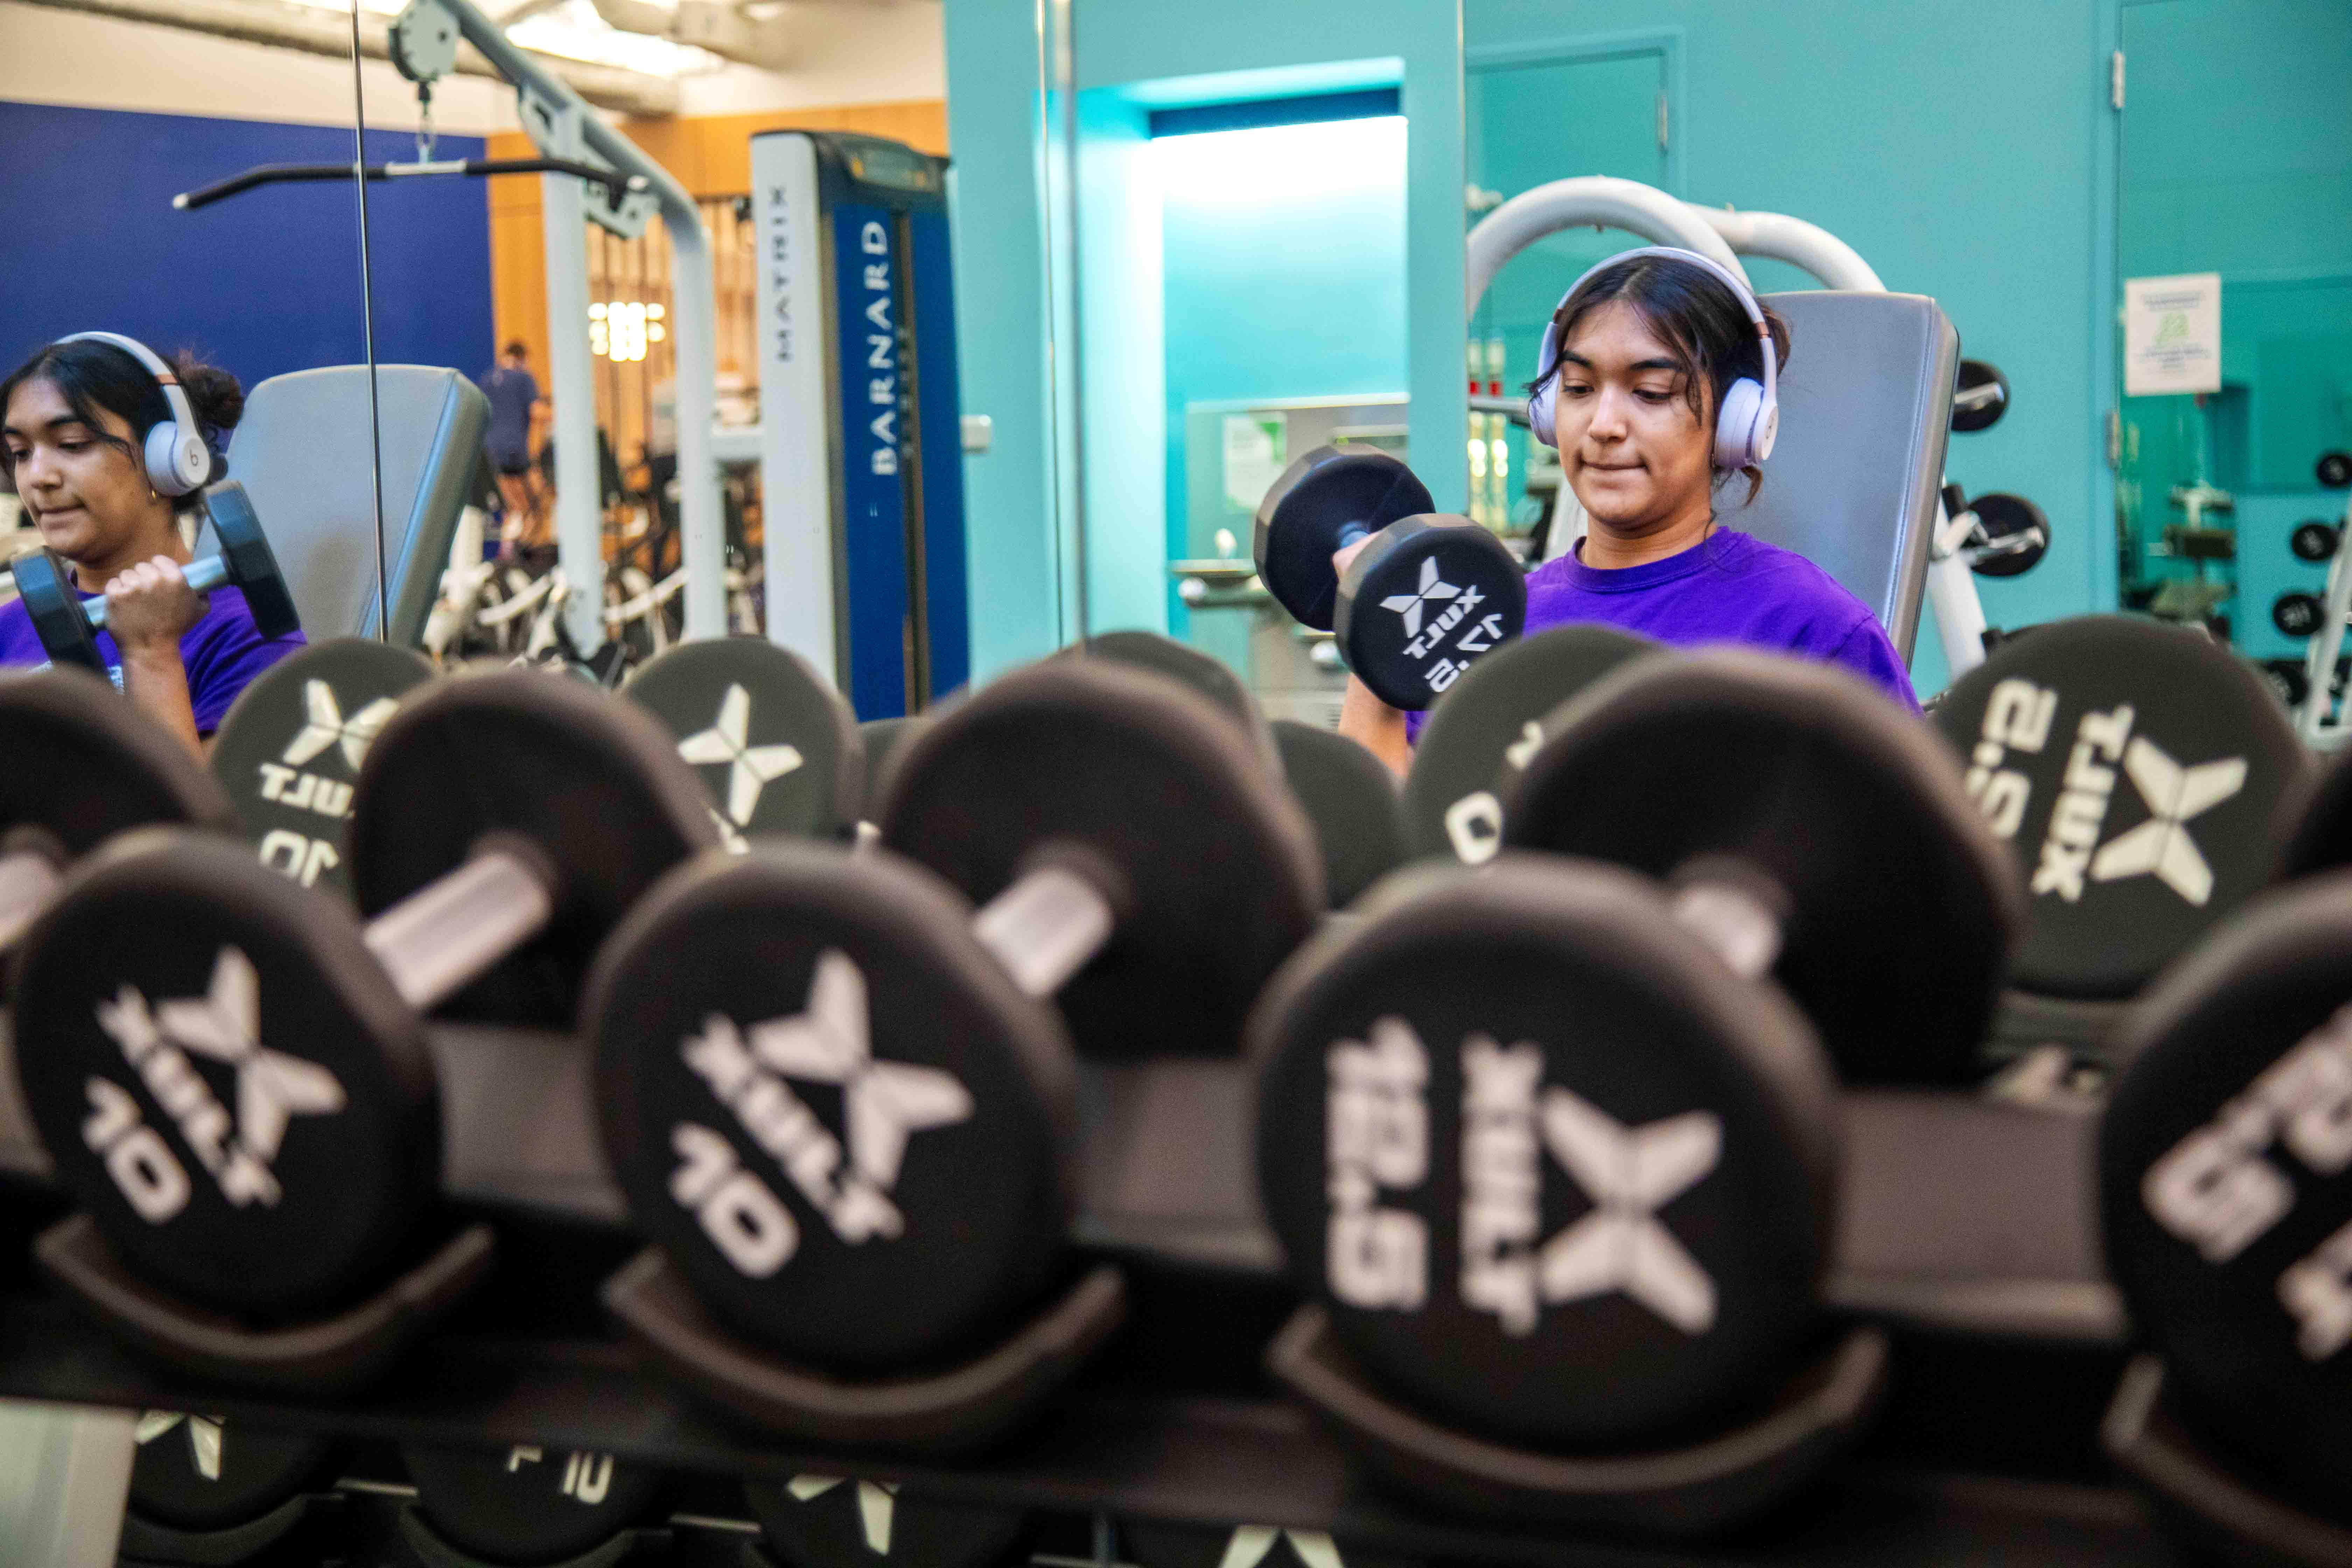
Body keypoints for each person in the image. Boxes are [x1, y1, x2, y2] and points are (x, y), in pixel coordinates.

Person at [1338, 247, 1918, 774]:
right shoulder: (1488, 622)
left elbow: (1913, 855)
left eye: (1651, 393)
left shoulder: (1812, 628)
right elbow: (1392, 839)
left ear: (1735, 421)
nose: (1604, 426)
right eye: (1579, 388)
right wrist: (1374, 623)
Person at [0, 334, 304, 756]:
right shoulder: (7, 629)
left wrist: (152, 653)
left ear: (170, 459)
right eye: (21, 452)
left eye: (72, 445)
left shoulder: (245, 634)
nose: (38, 477)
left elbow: (205, 821)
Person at [481, 339, 543, 553]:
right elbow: (537, 412)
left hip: (491, 454)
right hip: (515, 452)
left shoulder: (487, 380)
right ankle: (521, 553)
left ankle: (508, 551)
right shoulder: (524, 378)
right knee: (533, 510)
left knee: (513, 507)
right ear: (522, 359)